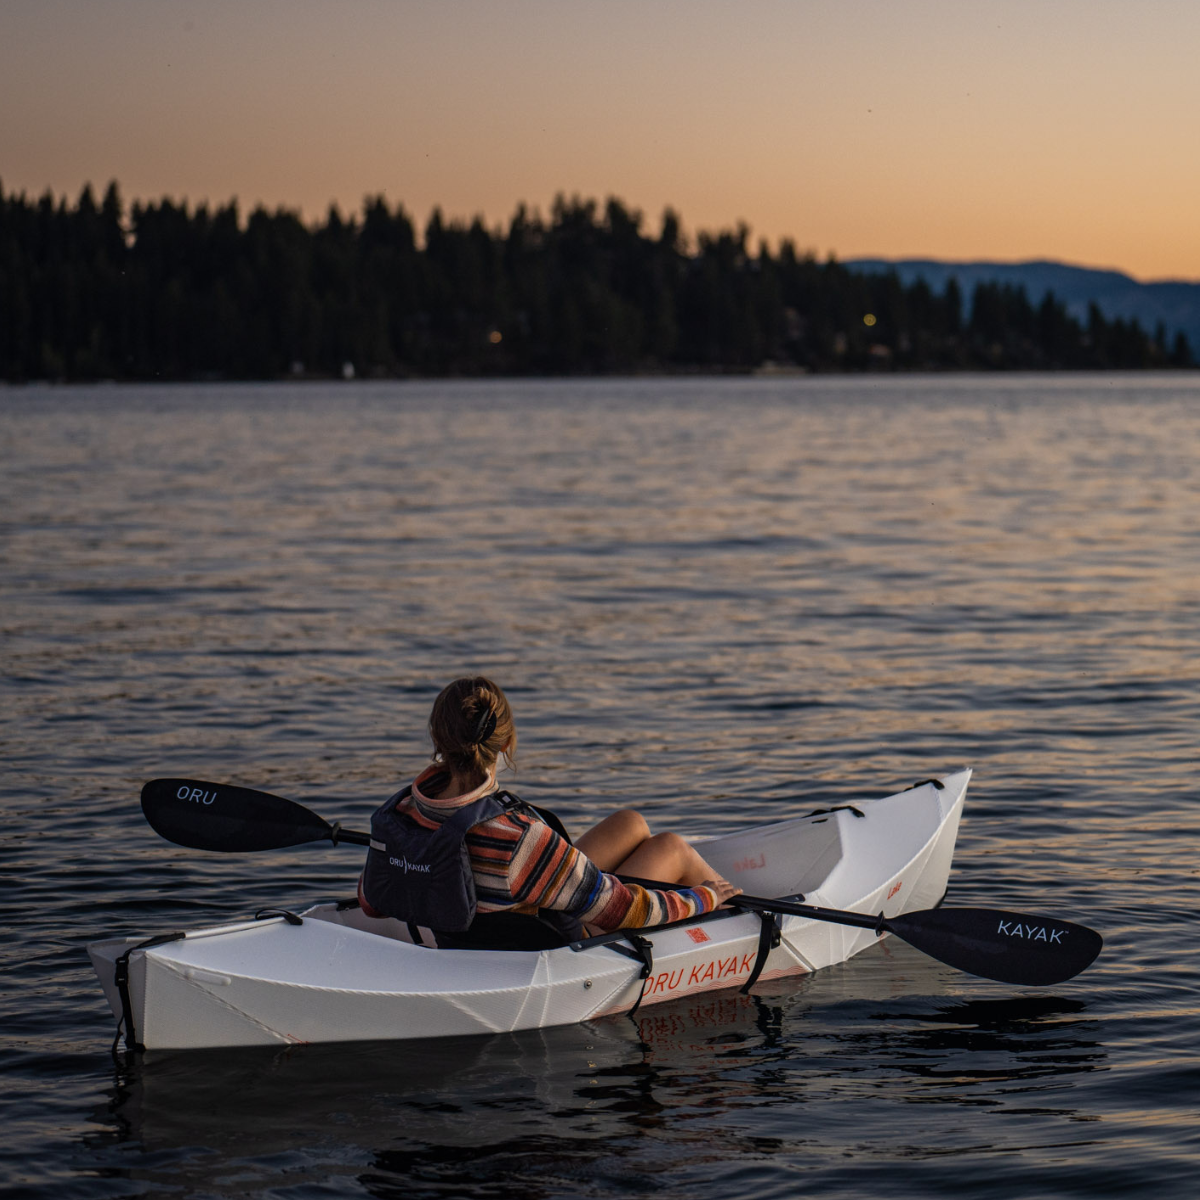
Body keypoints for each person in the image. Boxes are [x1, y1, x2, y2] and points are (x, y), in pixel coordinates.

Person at [358, 675, 741, 950]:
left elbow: (371, 903)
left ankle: (711, 896)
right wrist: (700, 897)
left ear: (437, 739)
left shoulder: (402, 813)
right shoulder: (517, 836)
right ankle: (738, 915)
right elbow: (625, 912)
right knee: (672, 846)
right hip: (559, 944)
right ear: (506, 743)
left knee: (631, 823)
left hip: (490, 916)